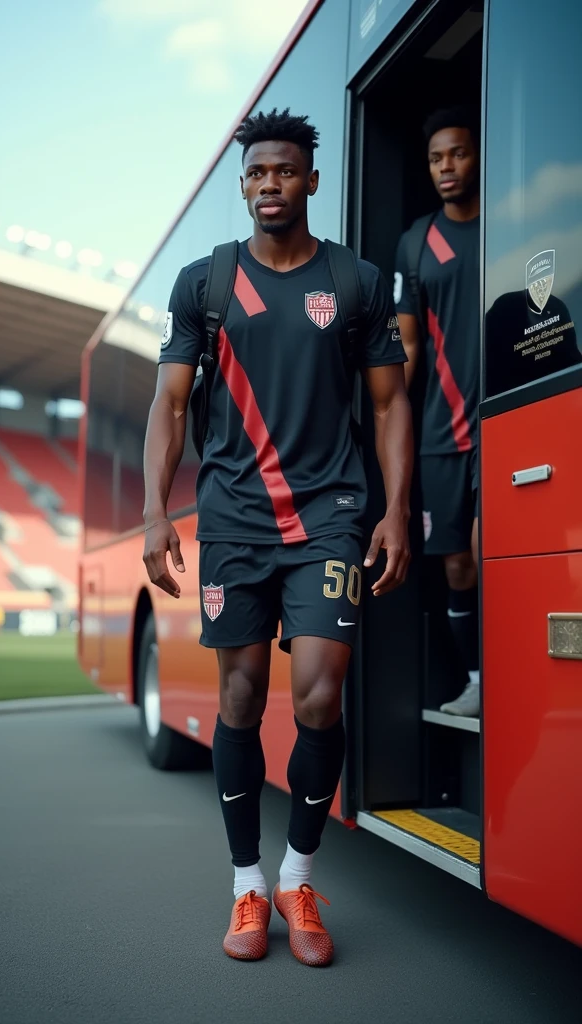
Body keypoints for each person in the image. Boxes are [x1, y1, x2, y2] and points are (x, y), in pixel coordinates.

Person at [142, 108, 412, 967]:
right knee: (240, 700)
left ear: (312, 181)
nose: (270, 185)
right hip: (233, 518)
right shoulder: (206, 284)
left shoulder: (358, 283)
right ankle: (246, 887)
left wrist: (397, 510)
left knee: (322, 696)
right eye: (258, 173)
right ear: (246, 182)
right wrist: (155, 509)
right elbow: (172, 403)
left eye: (286, 172)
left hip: (331, 513)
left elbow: (389, 403)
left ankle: (298, 874)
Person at [394, 106, 481, 718]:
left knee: (486, 550)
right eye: (435, 158)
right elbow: (407, 346)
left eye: (458, 153)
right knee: (455, 561)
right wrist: (385, 418)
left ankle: (513, 673)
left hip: (506, 422)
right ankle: (477, 680)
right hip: (440, 432)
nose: (446, 167)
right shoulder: (416, 243)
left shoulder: (513, 220)